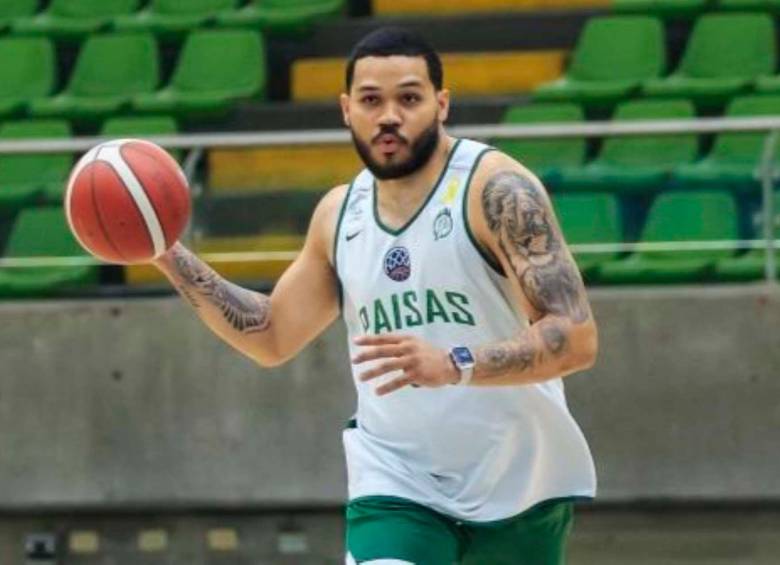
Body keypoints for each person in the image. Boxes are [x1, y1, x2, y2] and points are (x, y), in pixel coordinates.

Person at [153, 26, 598, 565]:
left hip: (518, 481)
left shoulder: (495, 189)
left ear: (441, 103)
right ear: (346, 109)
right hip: (397, 482)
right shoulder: (339, 214)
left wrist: (454, 363)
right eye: (371, 100)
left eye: (408, 98)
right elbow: (270, 335)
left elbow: (575, 338)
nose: (389, 115)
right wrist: (166, 252)